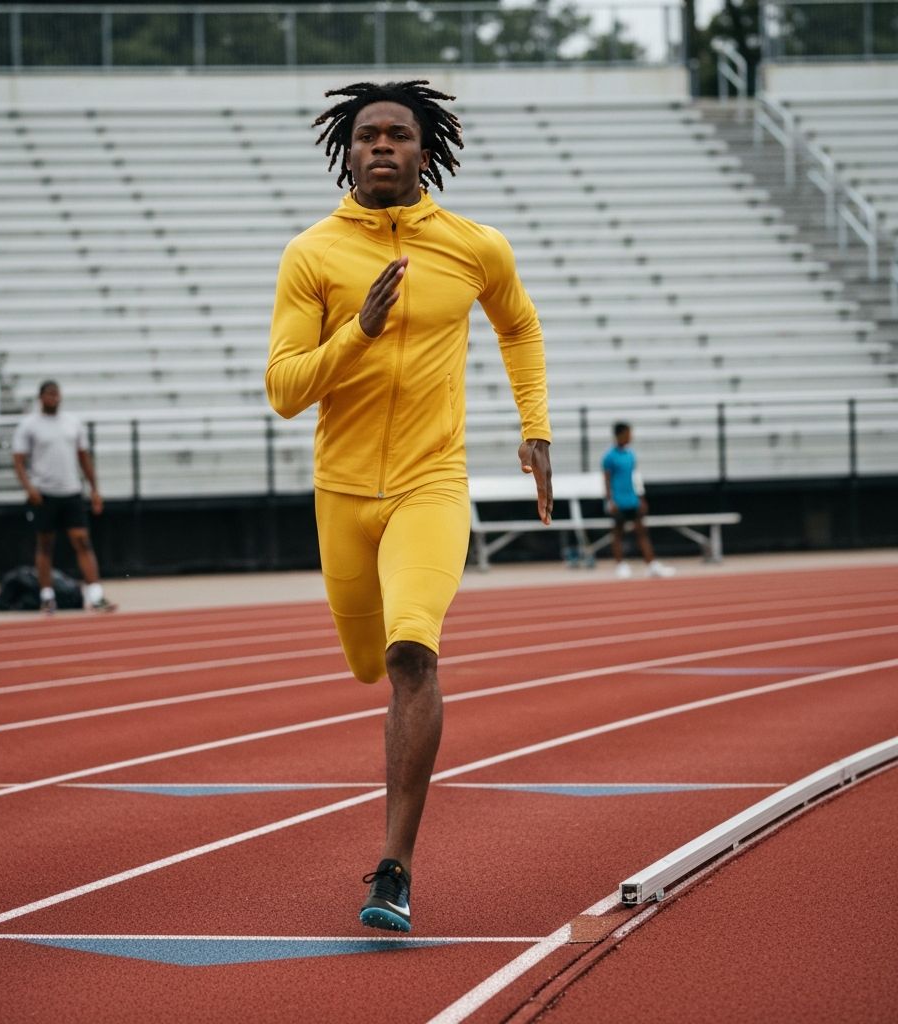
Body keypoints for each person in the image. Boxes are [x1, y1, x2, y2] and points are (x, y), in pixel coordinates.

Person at [265, 80, 552, 932]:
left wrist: (534, 425)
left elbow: (520, 325)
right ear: (346, 153)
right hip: (343, 492)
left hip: (432, 482)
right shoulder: (311, 255)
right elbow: (283, 390)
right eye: (367, 136)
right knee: (365, 660)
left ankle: (393, 867)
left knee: (409, 655)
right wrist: (358, 331)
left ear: (425, 150)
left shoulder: (474, 247)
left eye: (398, 133)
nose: (381, 146)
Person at [12, 380, 116, 613]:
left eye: (56, 394)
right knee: (46, 545)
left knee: (82, 541)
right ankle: (47, 595)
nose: (54, 398)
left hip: (71, 491)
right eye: (49, 395)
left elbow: (83, 457)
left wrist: (95, 488)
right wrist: (29, 488)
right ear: (41, 398)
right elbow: (18, 460)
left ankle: (96, 594)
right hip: (44, 493)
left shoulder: (72, 423)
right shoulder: (29, 425)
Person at [601, 422, 675, 579]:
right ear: (620, 434)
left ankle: (651, 564)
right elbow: (607, 481)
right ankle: (620, 565)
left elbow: (635, 477)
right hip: (618, 501)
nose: (631, 436)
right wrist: (610, 501)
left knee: (642, 532)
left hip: (632, 500)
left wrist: (641, 498)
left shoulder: (631, 455)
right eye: (628, 433)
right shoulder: (609, 457)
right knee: (618, 534)